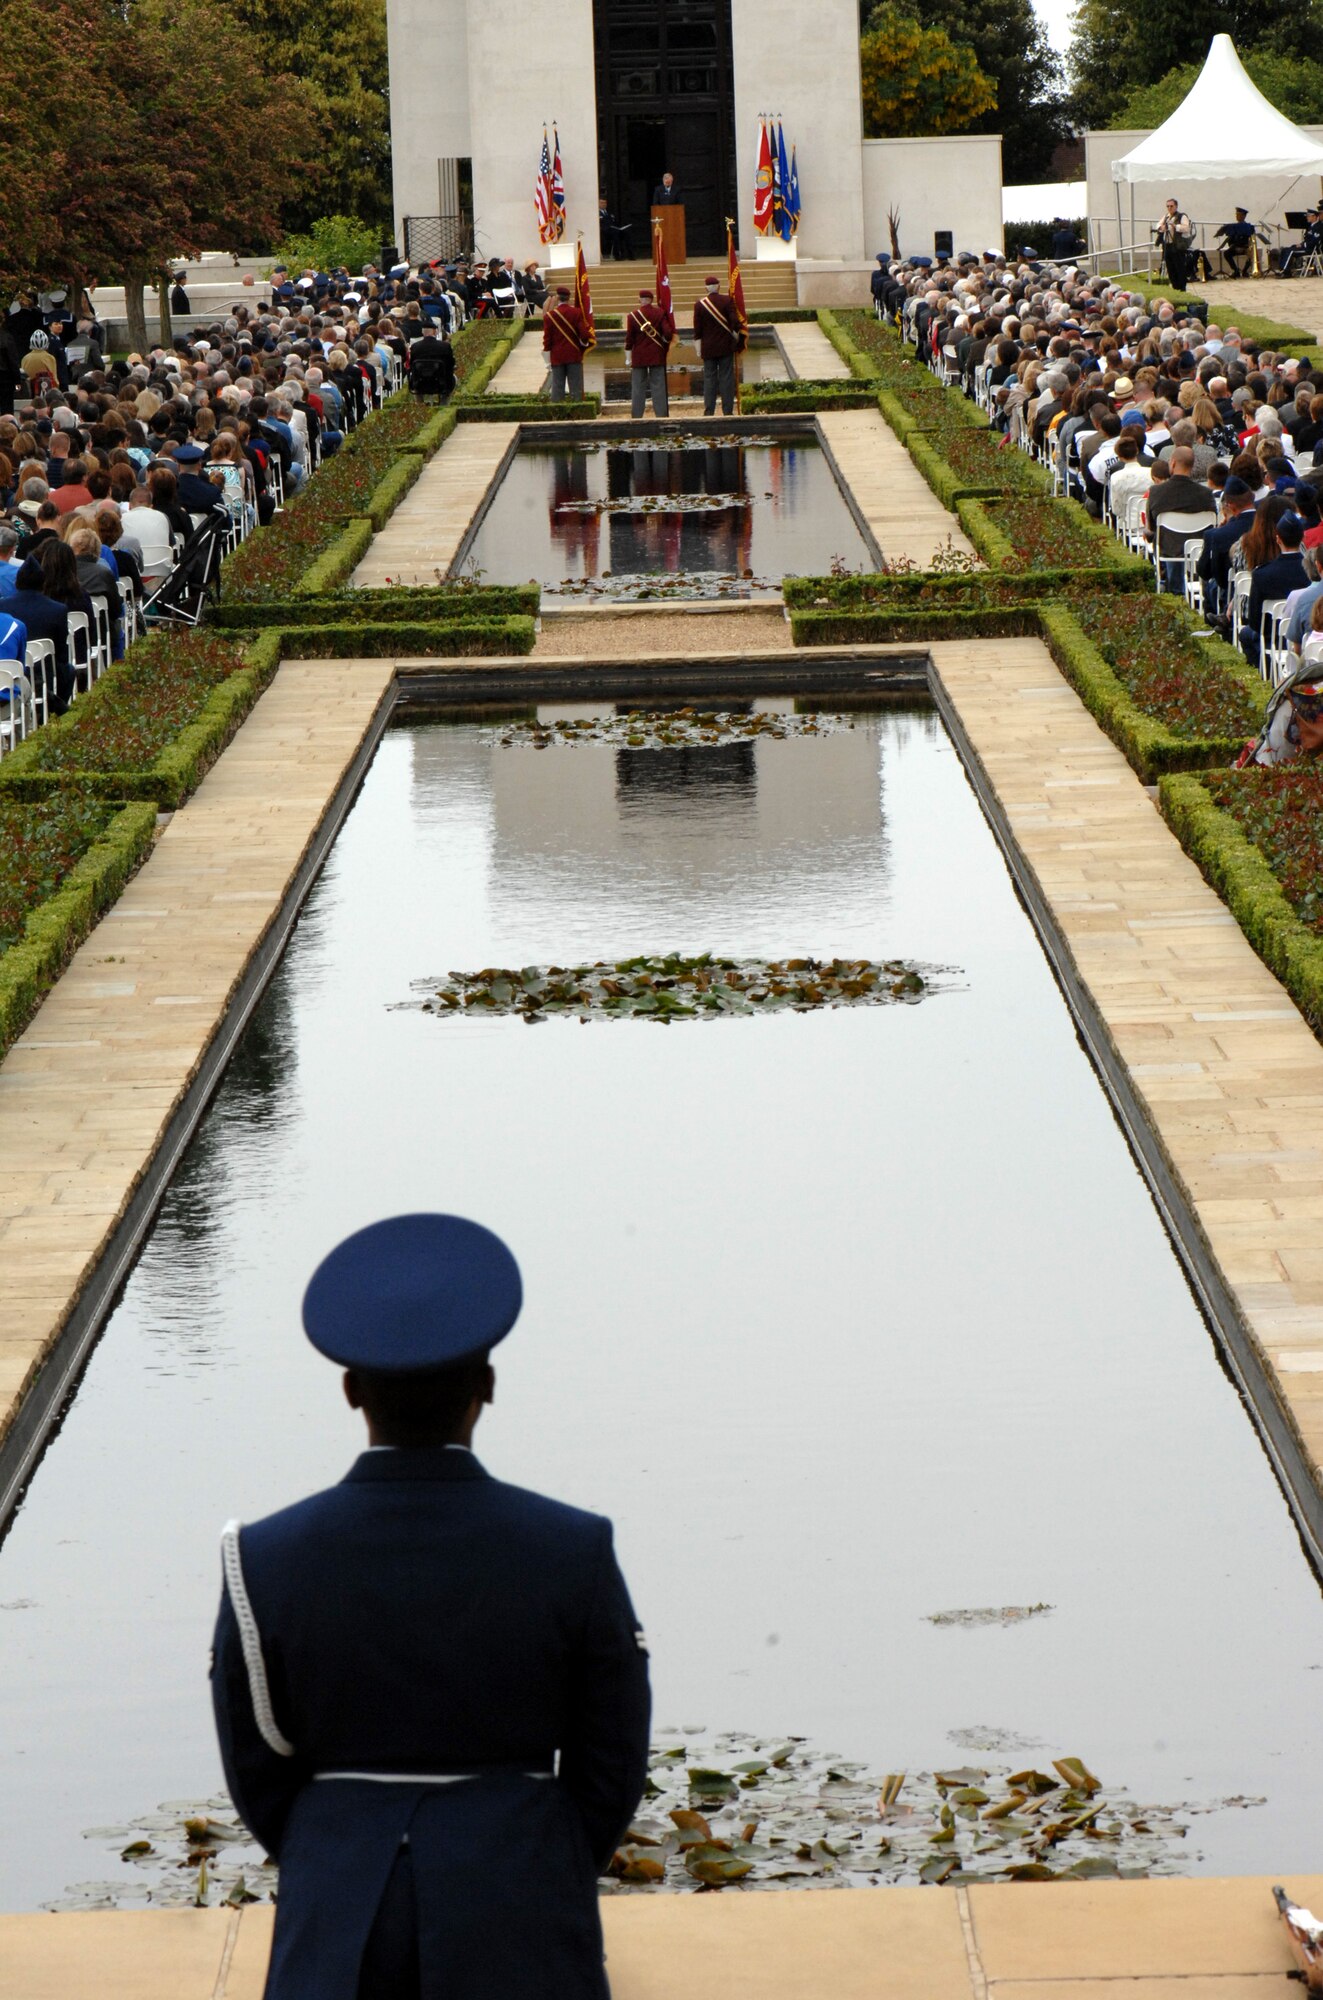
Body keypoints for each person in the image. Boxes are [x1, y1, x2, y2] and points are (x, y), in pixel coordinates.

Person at [210, 1213, 651, 2000]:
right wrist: (538, 1859)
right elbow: (609, 1759)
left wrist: (331, 1848)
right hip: (519, 1888)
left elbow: (257, 1762)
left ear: (350, 1390)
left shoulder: (264, 1555)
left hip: (338, 1899)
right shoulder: (570, 1547)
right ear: (486, 1385)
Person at [1243, 511, 1309, 666]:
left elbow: (1255, 621)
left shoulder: (1262, 574)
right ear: (1302, 538)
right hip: (1307, 638)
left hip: (1273, 639)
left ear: (1278, 539)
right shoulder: (1312, 573)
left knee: (1246, 634)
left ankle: (1265, 675)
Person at [692, 275, 744, 417]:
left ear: (705, 288)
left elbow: (697, 331)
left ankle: (709, 410)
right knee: (727, 378)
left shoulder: (699, 305)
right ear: (719, 287)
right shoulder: (727, 300)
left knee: (709, 379)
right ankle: (728, 411)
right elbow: (734, 322)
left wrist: (698, 349)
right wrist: (736, 337)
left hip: (708, 348)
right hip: (725, 346)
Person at [624, 288, 673, 419]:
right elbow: (668, 333)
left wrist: (628, 357)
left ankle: (637, 416)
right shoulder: (660, 313)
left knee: (638, 389)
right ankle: (661, 415)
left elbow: (629, 339)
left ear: (640, 299)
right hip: (657, 354)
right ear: (652, 300)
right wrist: (664, 342)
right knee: (659, 387)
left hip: (639, 356)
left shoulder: (632, 316)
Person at [542, 287, 590, 401]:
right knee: (576, 389)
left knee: (557, 388)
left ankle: (558, 414)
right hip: (573, 355)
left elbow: (547, 341)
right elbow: (584, 335)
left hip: (557, 356)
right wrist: (583, 346)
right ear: (569, 298)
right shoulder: (577, 312)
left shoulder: (550, 316)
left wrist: (547, 360)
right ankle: (577, 414)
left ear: (557, 298)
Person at [1214, 208, 1269, 279]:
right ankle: (1236, 270)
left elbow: (1251, 239)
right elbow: (1230, 238)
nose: (1236, 216)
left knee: (1252, 254)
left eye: (1238, 215)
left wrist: (1246, 247)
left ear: (1243, 216)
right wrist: (1225, 245)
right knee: (1226, 253)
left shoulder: (1248, 227)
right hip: (1235, 247)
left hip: (1245, 247)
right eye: (1236, 215)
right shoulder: (1233, 226)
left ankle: (1244, 271)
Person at [1156, 199, 1194, 292]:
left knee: (1179, 267)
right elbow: (1158, 225)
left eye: (1171, 206)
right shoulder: (1166, 216)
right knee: (1170, 268)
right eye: (1168, 206)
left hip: (1177, 246)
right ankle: (1175, 286)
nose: (1169, 208)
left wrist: (1175, 226)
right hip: (1167, 245)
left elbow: (1187, 228)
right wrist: (1161, 227)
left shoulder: (1182, 216)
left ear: (1176, 206)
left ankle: (1182, 287)